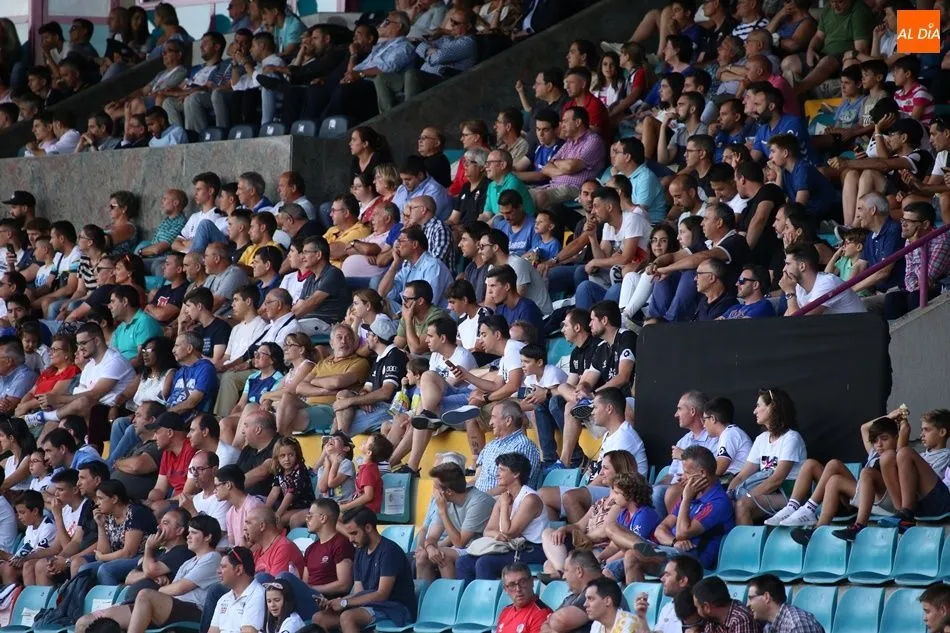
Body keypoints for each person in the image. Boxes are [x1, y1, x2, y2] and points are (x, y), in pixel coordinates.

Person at [75, 514, 222, 633]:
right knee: (86, 622)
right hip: (167, 608)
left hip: (193, 610)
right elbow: (169, 588)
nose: (188, 536)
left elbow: (179, 588)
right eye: (188, 532)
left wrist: (161, 590)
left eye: (194, 533)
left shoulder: (212, 558)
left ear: (208, 537)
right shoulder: (189, 562)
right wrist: (166, 589)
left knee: (146, 594)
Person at [625, 447, 734, 582]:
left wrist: (686, 498)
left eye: (687, 472)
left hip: (694, 561)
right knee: (612, 567)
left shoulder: (718, 501)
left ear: (702, 473)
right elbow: (660, 530)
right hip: (673, 550)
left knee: (632, 555)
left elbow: (682, 533)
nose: (683, 477)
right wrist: (674, 542)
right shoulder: (693, 494)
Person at [312, 507, 416, 633]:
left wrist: (345, 603)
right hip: (372, 607)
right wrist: (335, 602)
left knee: (348, 617)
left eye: (354, 533)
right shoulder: (360, 552)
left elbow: (382, 594)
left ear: (368, 528)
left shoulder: (389, 551)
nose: (350, 539)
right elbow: (359, 592)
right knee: (319, 618)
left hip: (395, 609)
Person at [456, 452, 547, 580]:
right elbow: (488, 530)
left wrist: (504, 505)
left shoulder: (530, 499)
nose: (497, 474)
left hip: (532, 548)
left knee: (485, 563)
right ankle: (470, 593)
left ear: (516, 474)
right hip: (509, 546)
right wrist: (496, 535)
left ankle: (488, 593)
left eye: (502, 470)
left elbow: (509, 533)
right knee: (463, 562)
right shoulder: (504, 497)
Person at [727, 389, 806, 525]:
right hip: (768, 492)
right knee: (729, 507)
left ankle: (747, 540)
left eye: (758, 405)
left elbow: (777, 480)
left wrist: (747, 496)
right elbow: (742, 476)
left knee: (742, 505)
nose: (754, 411)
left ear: (772, 407)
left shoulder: (791, 438)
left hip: (789, 494)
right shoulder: (761, 439)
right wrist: (729, 494)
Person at [415, 462, 494, 580]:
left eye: (436, 488)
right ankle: (422, 592)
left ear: (449, 492)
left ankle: (450, 591)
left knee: (442, 555)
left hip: (480, 549)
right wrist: (430, 548)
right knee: (422, 556)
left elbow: (460, 543)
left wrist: (443, 512)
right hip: (462, 549)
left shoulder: (479, 501)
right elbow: (432, 537)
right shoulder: (445, 501)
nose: (434, 492)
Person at [780, 242, 867, 316]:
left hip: (857, 329)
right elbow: (787, 320)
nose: (784, 269)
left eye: (788, 264)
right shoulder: (799, 287)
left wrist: (789, 293)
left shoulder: (827, 283)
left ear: (802, 266)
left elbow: (797, 322)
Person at [208, 546, 266, 633]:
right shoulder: (223, 599)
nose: (218, 571)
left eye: (223, 567)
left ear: (238, 569)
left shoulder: (258, 595)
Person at [266, 436, 315, 528]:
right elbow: (274, 492)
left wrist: (278, 513)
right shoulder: (280, 470)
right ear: (277, 458)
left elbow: (290, 493)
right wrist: (265, 511)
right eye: (282, 456)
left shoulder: (300, 470)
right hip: (290, 507)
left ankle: (282, 537)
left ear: (297, 455)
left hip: (306, 507)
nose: (287, 459)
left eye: (291, 455)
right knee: (267, 516)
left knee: (281, 519)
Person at [747, 574, 824, 633]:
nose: (748, 604)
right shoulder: (769, 626)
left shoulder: (796, 624)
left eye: (751, 598)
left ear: (766, 597)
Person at [496, 562, 553, 633]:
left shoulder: (541, 614)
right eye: (512, 585)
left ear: (532, 582)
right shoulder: (505, 611)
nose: (518, 589)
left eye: (522, 582)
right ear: (506, 590)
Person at [691, 576, 757, 633]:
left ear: (707, 607)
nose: (697, 611)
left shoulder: (741, 619)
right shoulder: (713, 620)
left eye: (697, 607)